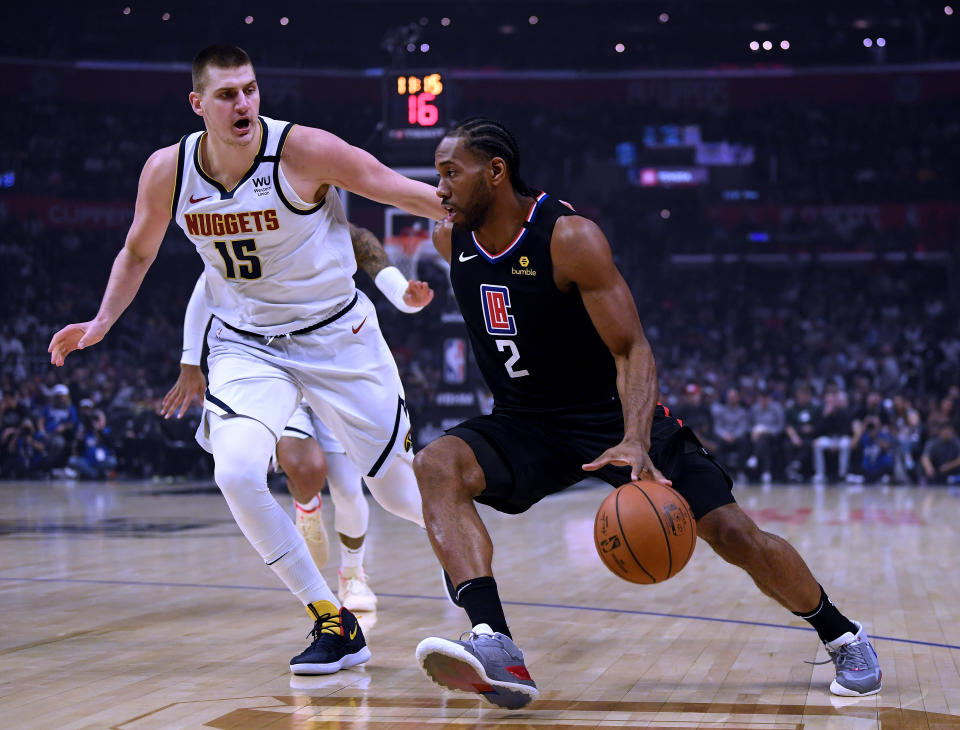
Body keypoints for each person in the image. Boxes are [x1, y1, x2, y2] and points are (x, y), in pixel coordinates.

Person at [412, 117, 882, 710]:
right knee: (436, 464)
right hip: (524, 421)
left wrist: (635, 439)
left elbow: (631, 348)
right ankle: (493, 640)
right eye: (438, 176)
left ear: (497, 172)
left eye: (451, 173)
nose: (441, 188)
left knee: (735, 534)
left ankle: (841, 632)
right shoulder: (449, 241)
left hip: (610, 416)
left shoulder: (568, 237)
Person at [48, 43, 442, 675]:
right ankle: (333, 622)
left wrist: (490, 219)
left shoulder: (300, 150)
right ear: (198, 103)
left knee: (396, 493)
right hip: (248, 343)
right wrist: (102, 321)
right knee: (235, 473)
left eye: (251, 89)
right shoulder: (168, 171)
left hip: (336, 335)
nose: (244, 104)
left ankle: (475, 584)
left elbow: (393, 188)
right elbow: (138, 251)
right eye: (228, 94)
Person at [161, 222, 434, 611]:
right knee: (304, 469)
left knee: (348, 488)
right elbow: (209, 286)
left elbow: (362, 241)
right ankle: (306, 507)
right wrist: (190, 359)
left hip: (335, 362)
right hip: (272, 364)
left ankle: (353, 575)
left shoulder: (313, 217)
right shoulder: (247, 230)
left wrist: (398, 291)